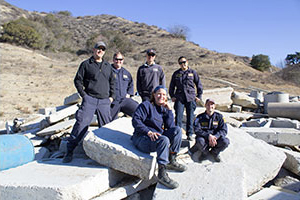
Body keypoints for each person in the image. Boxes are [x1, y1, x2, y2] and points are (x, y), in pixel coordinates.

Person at [63, 41, 115, 163]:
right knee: (81, 124)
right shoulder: (86, 64)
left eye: (103, 49)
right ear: (94, 49)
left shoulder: (108, 66)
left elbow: (112, 83)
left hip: (104, 101)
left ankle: (107, 155)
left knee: (107, 127)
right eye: (98, 48)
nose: (100, 51)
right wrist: (84, 96)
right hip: (90, 99)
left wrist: (112, 97)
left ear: (104, 52)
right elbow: (78, 81)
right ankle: (69, 151)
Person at [132, 85, 187, 189]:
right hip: (143, 138)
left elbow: (171, 128)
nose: (161, 96)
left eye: (164, 95)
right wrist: (148, 132)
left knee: (178, 130)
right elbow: (136, 120)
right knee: (164, 140)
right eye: (159, 94)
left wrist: (170, 111)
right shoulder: (146, 105)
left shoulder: (164, 109)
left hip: (157, 139)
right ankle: (162, 173)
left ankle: (172, 159)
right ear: (154, 95)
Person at [169, 56, 203, 141]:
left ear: (187, 62)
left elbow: (199, 85)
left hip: (190, 97)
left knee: (190, 116)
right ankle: (177, 134)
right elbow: (172, 86)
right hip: (179, 97)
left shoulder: (193, 72)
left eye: (184, 62)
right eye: (180, 63)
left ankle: (190, 134)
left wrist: (199, 96)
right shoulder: (176, 74)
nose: (182, 64)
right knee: (178, 116)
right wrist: (172, 96)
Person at [110, 52, 139, 120]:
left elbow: (131, 84)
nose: (118, 61)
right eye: (116, 59)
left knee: (139, 111)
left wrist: (129, 94)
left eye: (120, 59)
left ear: (123, 60)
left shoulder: (126, 73)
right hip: (113, 101)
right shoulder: (108, 70)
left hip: (124, 100)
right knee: (108, 121)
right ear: (113, 60)